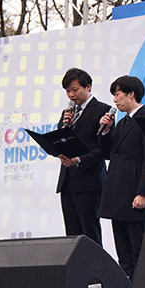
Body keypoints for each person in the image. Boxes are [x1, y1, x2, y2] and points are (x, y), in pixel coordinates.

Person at [98, 75, 145, 281]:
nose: (115, 100)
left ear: (131, 94)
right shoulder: (123, 122)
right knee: (122, 249)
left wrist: (143, 193)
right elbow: (109, 154)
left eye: (117, 94)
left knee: (138, 247)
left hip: (133, 193)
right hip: (116, 193)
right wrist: (105, 132)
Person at [56, 68, 111, 246]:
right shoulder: (67, 113)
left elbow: (102, 150)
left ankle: (95, 265)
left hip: (89, 182)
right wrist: (64, 128)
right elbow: (59, 142)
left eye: (75, 89)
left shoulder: (102, 110)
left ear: (88, 87)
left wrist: (79, 160)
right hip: (67, 182)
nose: (71, 95)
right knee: (72, 237)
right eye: (67, 91)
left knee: (90, 234)